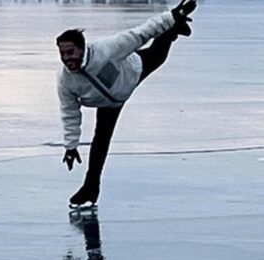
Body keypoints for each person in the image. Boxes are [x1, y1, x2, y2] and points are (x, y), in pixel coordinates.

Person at [56, 0, 197, 208]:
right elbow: (70, 113)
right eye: (62, 54)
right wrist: (71, 146)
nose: (67, 59)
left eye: (70, 52)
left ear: (82, 48)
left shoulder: (105, 50)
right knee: (100, 141)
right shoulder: (65, 80)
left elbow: (140, 33)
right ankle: (90, 188)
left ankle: (173, 30)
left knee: (158, 54)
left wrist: (172, 16)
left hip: (132, 73)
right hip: (109, 103)